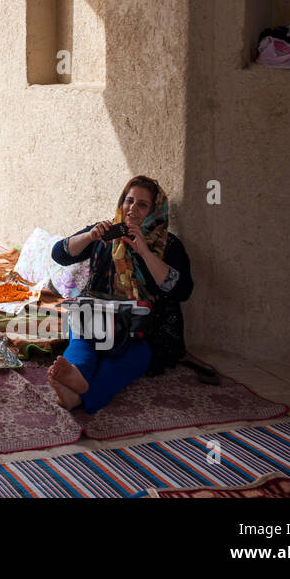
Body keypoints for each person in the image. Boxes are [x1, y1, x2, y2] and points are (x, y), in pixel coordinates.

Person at [45, 175, 193, 412]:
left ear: (155, 210)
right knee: (83, 343)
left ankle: (80, 396)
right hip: (95, 317)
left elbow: (182, 290)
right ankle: (75, 373)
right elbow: (59, 254)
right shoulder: (106, 231)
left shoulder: (167, 244)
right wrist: (89, 236)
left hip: (140, 326)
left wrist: (144, 250)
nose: (132, 208)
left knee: (132, 357)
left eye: (142, 204)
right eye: (129, 200)